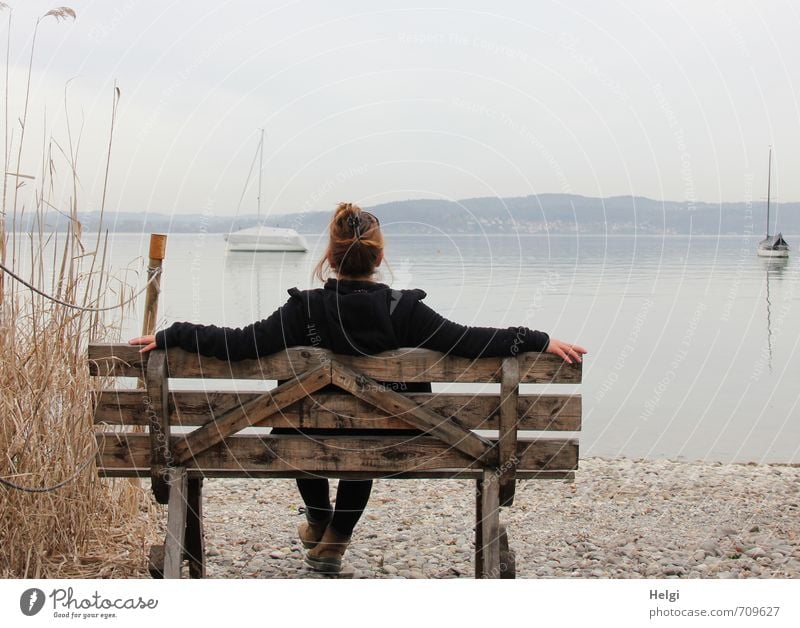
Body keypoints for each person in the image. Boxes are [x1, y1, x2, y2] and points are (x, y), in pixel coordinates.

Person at [129, 201, 586, 573]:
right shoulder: (406, 312)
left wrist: (174, 335)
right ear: (379, 259)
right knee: (369, 431)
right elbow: (471, 342)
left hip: (300, 437)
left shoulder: (301, 311)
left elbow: (238, 345)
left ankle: (320, 519)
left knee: (298, 420)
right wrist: (539, 339)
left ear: (329, 257)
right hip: (390, 440)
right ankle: (336, 537)